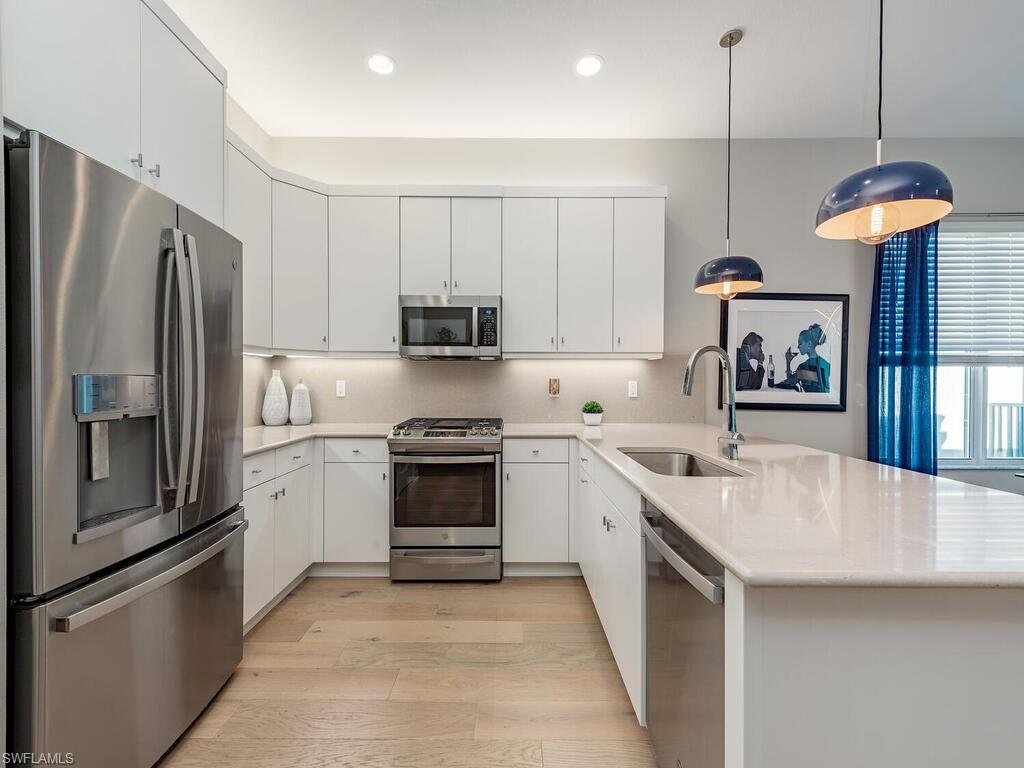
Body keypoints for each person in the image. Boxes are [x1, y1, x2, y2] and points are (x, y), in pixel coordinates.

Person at [778, 323, 831, 393]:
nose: (798, 346)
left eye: (800, 343)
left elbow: (789, 383)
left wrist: (788, 362)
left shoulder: (803, 367)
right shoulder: (827, 364)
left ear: (809, 344)